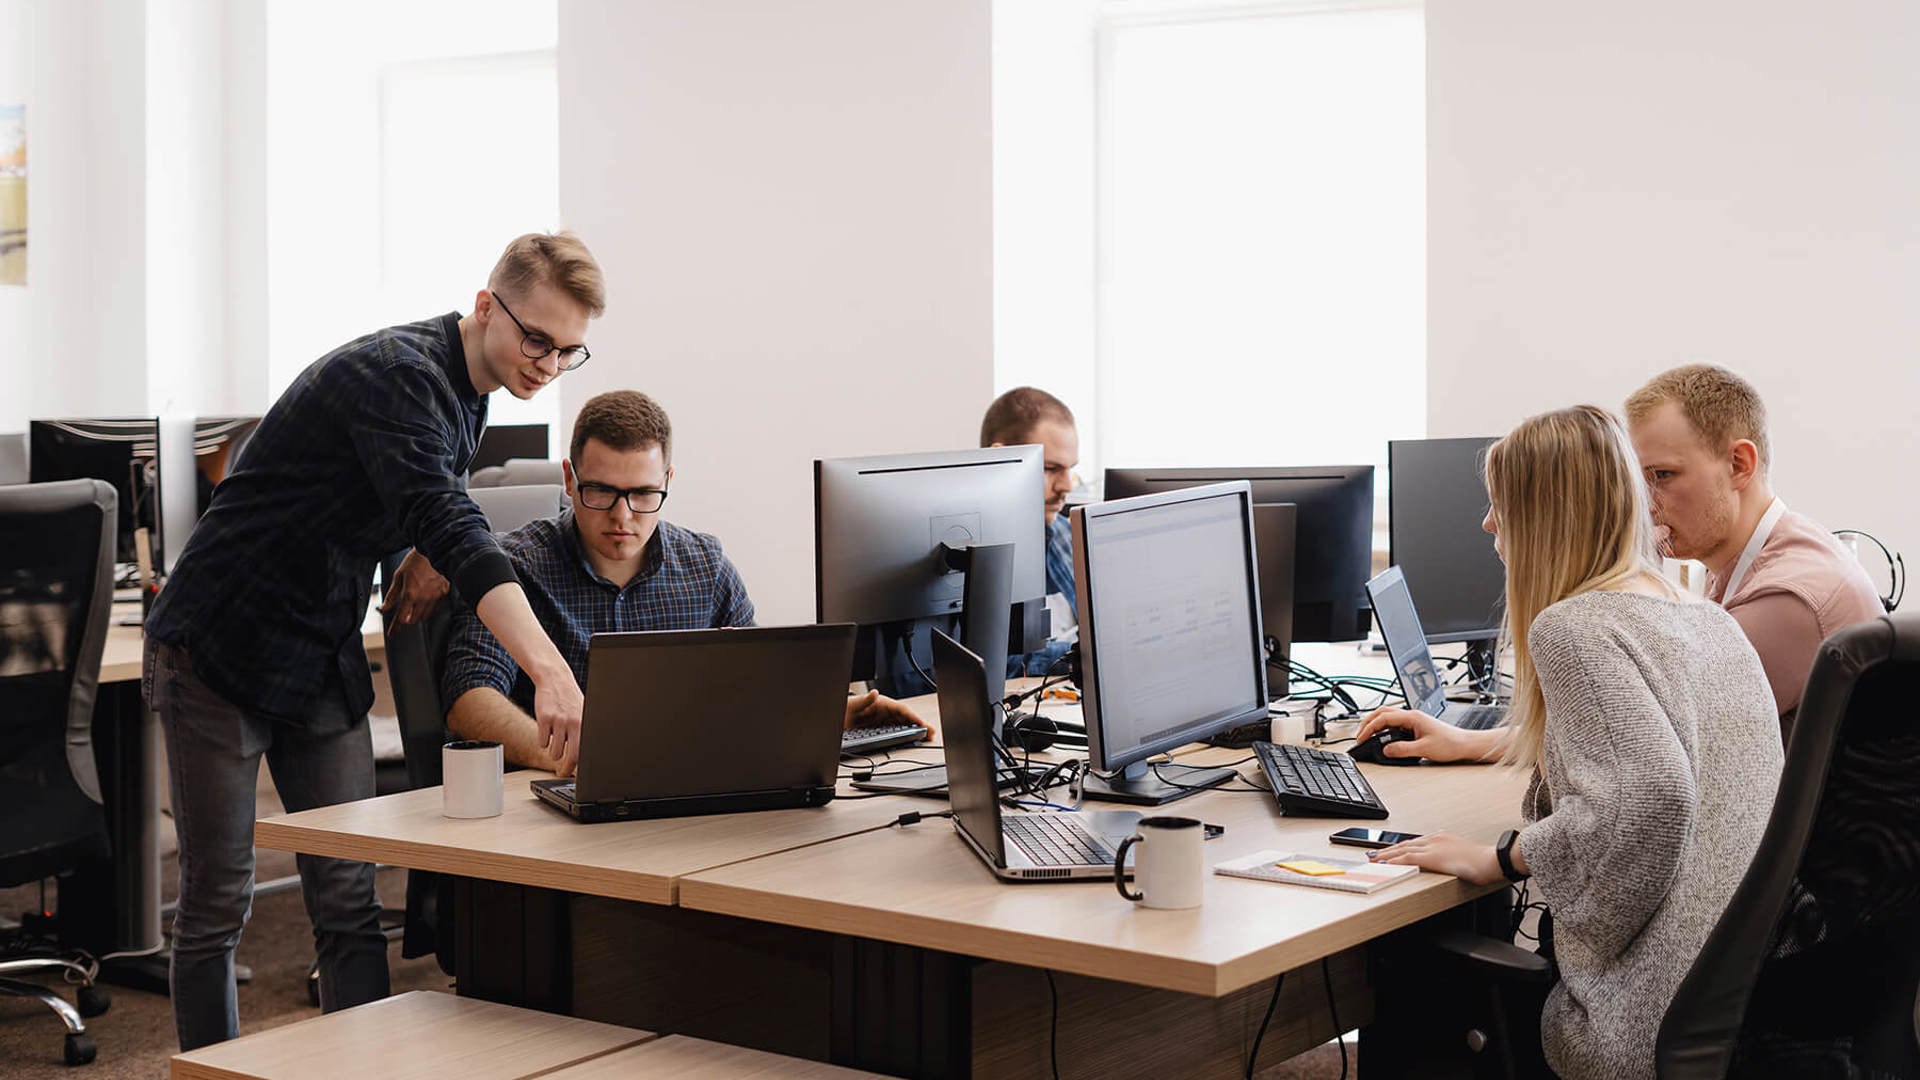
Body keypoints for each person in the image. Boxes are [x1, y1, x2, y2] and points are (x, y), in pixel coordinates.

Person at [142, 232, 603, 1049]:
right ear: (487, 305)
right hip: (217, 644)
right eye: (537, 339)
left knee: (350, 893)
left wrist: (417, 547)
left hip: (318, 650)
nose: (547, 363)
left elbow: (406, 490)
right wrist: (551, 671)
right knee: (219, 900)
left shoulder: (472, 387)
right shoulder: (397, 374)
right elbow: (449, 516)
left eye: (569, 351)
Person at [1356, 405, 1782, 1080]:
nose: (1489, 524)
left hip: (1640, 1022)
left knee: (1404, 964)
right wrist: (1488, 747)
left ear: (1544, 515)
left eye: (1501, 506)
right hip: (1742, 1007)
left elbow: (1649, 799)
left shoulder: (1573, 627)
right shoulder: (1707, 619)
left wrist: (1503, 857)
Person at [441, 390, 925, 769]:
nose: (622, 516)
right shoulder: (515, 568)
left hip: (689, 795)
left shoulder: (704, 566)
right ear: (570, 480)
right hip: (565, 806)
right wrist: (568, 757)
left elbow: (758, 686)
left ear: (668, 480)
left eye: (643, 494)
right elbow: (471, 702)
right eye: (601, 492)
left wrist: (836, 713)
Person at [1624, 364, 1882, 737]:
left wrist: (1624, 570)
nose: (1646, 505)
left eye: (1662, 476)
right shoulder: (1746, 559)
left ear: (1739, 465)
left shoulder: (1788, 598)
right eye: (1637, 481)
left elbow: (1640, 738)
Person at [980, 387, 1081, 679]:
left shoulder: (1065, 534)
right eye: (1050, 468)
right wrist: (1073, 658)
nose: (1067, 486)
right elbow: (917, 675)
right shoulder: (951, 556)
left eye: (1071, 469)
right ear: (999, 461)